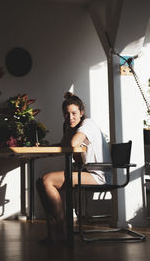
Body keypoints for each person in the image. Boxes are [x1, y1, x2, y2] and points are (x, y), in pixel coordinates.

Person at [36, 92, 111, 245]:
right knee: (40, 182)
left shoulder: (87, 124)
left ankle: (61, 228)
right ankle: (54, 231)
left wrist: (71, 131)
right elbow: (64, 144)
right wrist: (44, 148)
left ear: (81, 113)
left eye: (74, 113)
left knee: (48, 180)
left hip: (98, 175)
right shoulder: (75, 127)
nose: (70, 117)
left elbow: (72, 144)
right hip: (87, 172)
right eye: (66, 114)